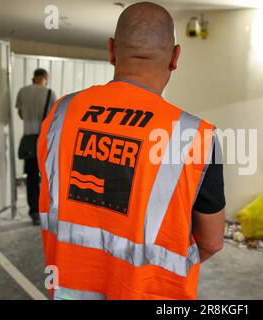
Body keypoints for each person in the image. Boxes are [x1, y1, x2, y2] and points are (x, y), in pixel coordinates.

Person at [37, 2, 225, 300]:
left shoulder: (61, 113)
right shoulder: (197, 136)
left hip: (68, 290)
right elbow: (212, 242)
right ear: (175, 57)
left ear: (112, 50)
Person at [16, 68, 57, 225]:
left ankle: (34, 212)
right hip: (45, 142)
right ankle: (49, 211)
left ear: (34, 78)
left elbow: (20, 114)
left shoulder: (22, 91)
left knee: (32, 178)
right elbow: (54, 117)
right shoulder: (49, 93)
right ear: (45, 78)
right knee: (49, 177)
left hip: (29, 141)